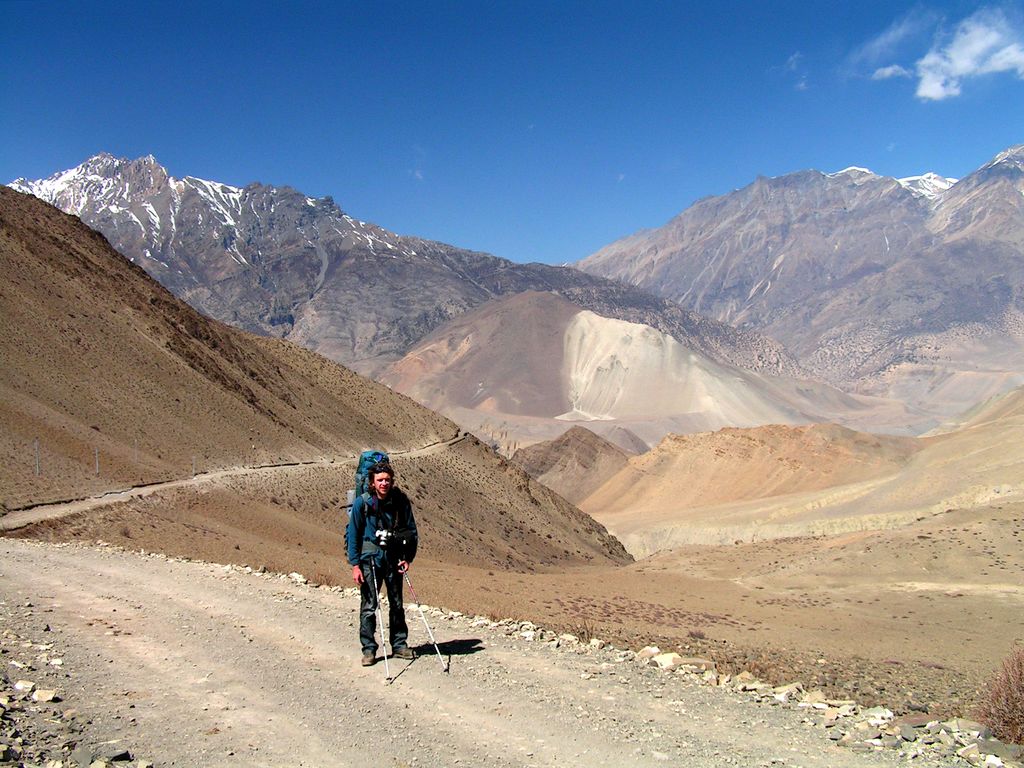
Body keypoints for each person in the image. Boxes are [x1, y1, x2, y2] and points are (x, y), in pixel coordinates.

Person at [347, 460, 418, 666]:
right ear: (372, 482)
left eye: (387, 480)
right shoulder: (363, 503)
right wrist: (355, 565)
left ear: (392, 481)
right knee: (369, 605)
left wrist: (408, 557)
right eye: (380, 480)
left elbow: (411, 531)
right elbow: (354, 535)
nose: (384, 483)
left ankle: (399, 645)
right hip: (369, 560)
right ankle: (369, 649)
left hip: (394, 558)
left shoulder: (400, 501)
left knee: (396, 604)